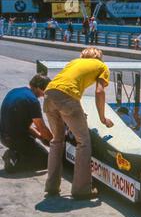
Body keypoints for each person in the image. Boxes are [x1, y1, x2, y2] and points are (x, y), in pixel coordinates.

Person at [43, 47, 114, 199]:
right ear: (99, 57)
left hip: (49, 94)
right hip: (67, 99)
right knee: (83, 142)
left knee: (57, 140)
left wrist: (78, 111)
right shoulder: (102, 66)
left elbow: (67, 86)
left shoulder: (74, 62)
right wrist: (102, 118)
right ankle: (82, 189)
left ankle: (51, 186)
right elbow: (99, 92)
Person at [0, 74, 53, 173]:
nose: (44, 95)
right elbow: (41, 127)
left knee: (33, 147)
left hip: (3, 136)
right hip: (15, 139)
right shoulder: (32, 101)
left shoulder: (15, 91)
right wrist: (55, 142)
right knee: (46, 160)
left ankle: (16, 153)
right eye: (45, 91)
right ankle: (13, 163)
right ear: (39, 88)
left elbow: (25, 125)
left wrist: (41, 137)